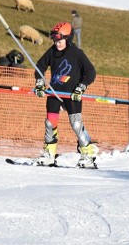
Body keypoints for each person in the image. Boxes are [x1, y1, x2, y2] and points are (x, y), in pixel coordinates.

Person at [33, 21, 98, 167]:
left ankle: (87, 154)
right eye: (55, 40)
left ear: (67, 39)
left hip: (71, 94)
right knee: (50, 123)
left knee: (76, 123)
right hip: (54, 92)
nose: (57, 43)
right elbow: (40, 66)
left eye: (60, 40)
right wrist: (39, 82)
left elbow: (91, 72)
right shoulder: (52, 51)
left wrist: (81, 87)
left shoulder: (76, 54)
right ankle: (49, 155)